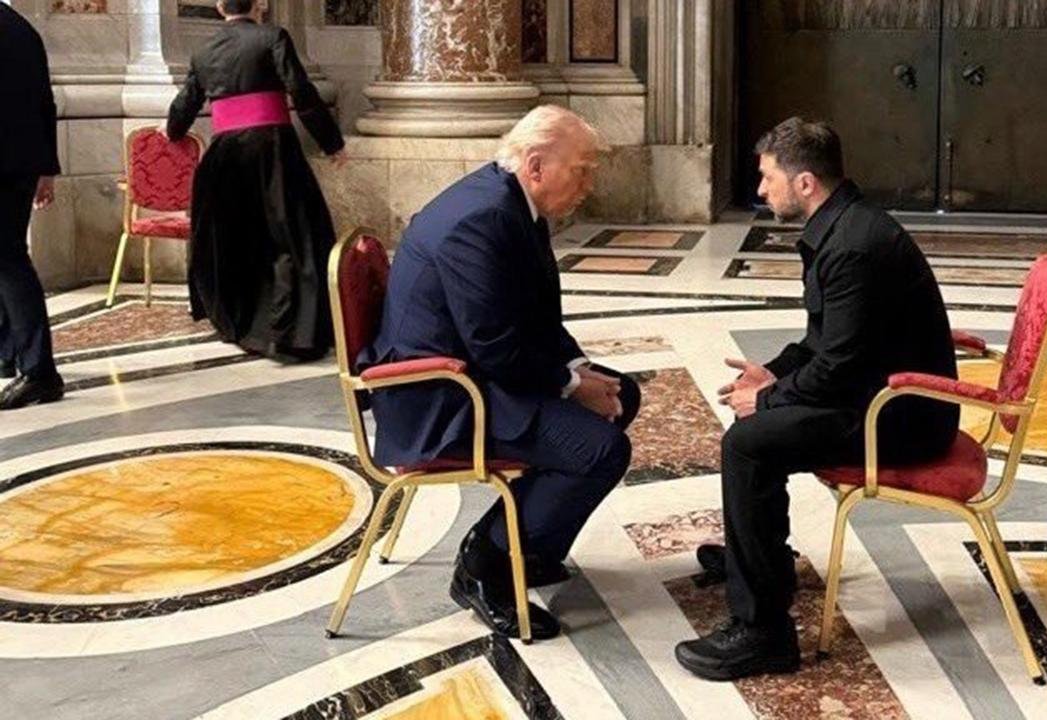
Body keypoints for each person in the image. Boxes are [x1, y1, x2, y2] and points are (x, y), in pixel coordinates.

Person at [675, 117, 960, 680]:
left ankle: (763, 633)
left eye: (768, 177)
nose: (761, 190)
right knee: (755, 437)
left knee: (749, 444)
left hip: (900, 417)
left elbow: (840, 366)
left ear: (804, 183)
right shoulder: (845, 228)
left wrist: (770, 400)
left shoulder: (852, 247)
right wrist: (773, 374)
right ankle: (762, 565)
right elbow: (824, 344)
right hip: (878, 395)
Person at [362, 106, 640, 640]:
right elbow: (495, 346)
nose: (589, 184)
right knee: (600, 451)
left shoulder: (511, 202)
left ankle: (529, 547)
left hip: (474, 371)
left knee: (622, 396)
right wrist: (572, 386)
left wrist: (578, 369)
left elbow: (532, 318)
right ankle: (484, 564)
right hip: (438, 395)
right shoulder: (482, 219)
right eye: (581, 169)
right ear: (535, 165)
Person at [166, 0, 346, 361]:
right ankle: (291, 331)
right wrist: (331, 142)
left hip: (225, 156)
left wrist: (172, 129)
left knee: (238, 239)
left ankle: (242, 323)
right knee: (292, 236)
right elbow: (301, 91)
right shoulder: (272, 37)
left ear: (220, 7)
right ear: (259, 5)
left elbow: (186, 102)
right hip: (273, 149)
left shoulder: (203, 50)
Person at [0, 2, 64, 411]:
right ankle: (10, 350)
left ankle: (39, 370)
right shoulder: (21, 28)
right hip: (21, 164)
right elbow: (46, 102)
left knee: (8, 260)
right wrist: (46, 167)